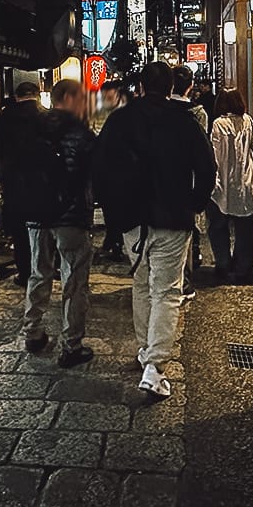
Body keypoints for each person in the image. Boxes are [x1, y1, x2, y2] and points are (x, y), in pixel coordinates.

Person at [93, 62, 215, 398]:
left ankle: (146, 350)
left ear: (142, 87)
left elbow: (100, 169)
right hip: (173, 218)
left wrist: (114, 214)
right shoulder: (184, 121)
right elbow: (207, 168)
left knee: (142, 283)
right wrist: (195, 203)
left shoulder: (120, 121)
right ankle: (154, 365)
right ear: (171, 85)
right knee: (166, 291)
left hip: (132, 220)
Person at [21, 79, 97, 368]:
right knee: (74, 280)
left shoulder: (33, 127)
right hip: (71, 216)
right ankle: (71, 345)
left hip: (36, 214)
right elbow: (92, 172)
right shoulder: (80, 132)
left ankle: (33, 332)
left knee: (38, 272)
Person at [207, 89, 253, 284]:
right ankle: (243, 266)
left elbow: (215, 153)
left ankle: (223, 263)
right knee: (245, 227)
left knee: (218, 225)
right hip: (246, 179)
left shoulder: (218, 124)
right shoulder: (247, 121)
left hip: (222, 179)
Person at [0, 81, 44, 286]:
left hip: (14, 183)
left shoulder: (5, 119)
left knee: (20, 231)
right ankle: (44, 269)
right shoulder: (45, 116)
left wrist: (1, 177)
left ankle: (24, 273)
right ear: (37, 95)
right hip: (41, 182)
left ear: (17, 96)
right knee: (42, 227)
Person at [170, 66, 208, 300]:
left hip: (163, 187)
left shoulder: (159, 112)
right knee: (187, 232)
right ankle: (184, 280)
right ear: (190, 85)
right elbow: (205, 160)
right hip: (188, 182)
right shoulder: (197, 114)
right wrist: (200, 199)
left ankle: (181, 279)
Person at [92, 79, 129, 261]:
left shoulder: (126, 114)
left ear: (118, 95)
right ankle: (114, 240)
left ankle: (117, 240)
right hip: (105, 169)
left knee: (120, 207)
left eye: (109, 96)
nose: (106, 99)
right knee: (109, 207)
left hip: (123, 169)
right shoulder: (97, 113)